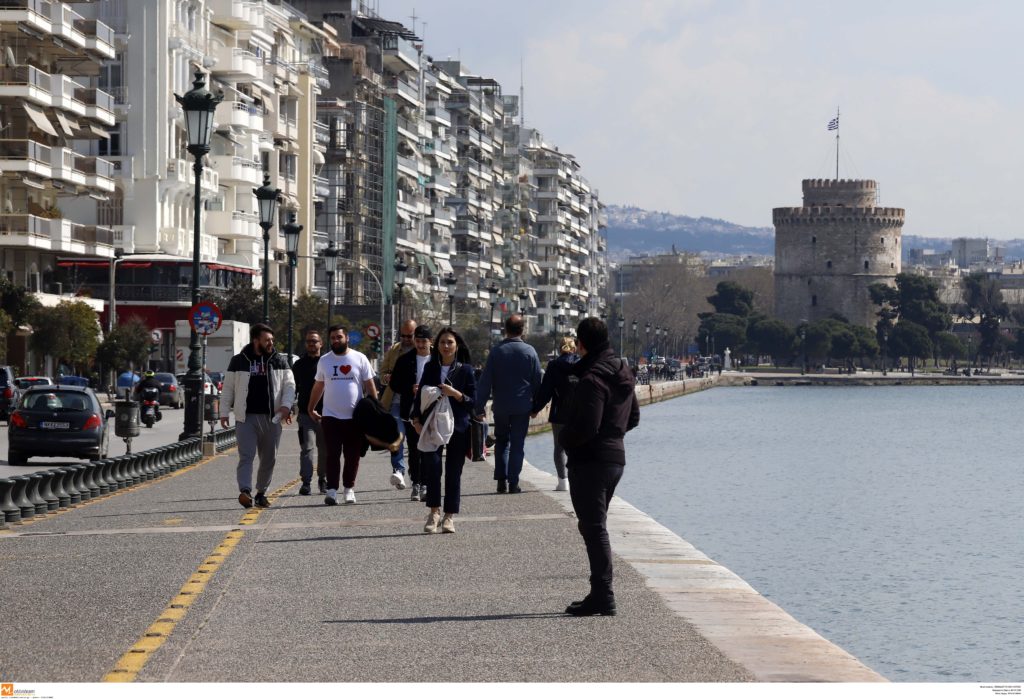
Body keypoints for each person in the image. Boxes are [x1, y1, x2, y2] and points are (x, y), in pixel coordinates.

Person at [559, 317, 639, 616]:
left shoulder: (592, 379)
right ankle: (599, 592)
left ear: (581, 343)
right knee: (595, 526)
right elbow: (633, 418)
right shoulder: (623, 372)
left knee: (594, 528)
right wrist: (613, 437)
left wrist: (566, 439)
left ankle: (603, 595)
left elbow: (587, 426)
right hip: (615, 458)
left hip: (591, 460)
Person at [219, 323, 296, 509]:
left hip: (272, 417)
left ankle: (261, 492)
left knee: (269, 458)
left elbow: (289, 386)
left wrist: (286, 407)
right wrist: (223, 412)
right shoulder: (239, 360)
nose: (271, 343)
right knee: (246, 455)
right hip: (246, 418)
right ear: (256, 341)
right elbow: (228, 388)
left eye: (271, 340)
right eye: (266, 340)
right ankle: (245, 491)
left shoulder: (279, 360)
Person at [411, 326, 476, 534]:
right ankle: (433, 512)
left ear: (457, 346)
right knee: (432, 468)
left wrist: (456, 394)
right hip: (431, 425)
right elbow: (420, 394)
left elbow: (473, 402)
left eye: (450, 342)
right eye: (442, 342)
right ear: (436, 345)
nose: (446, 346)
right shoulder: (431, 367)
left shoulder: (466, 370)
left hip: (458, 427)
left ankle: (449, 516)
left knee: (454, 473)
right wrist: (415, 419)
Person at [308, 324, 378, 506]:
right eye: (332, 338)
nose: (336, 341)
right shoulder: (324, 361)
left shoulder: (360, 358)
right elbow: (319, 386)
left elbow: (370, 386)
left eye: (339, 337)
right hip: (330, 416)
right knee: (332, 454)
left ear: (347, 338)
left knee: (352, 455)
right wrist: (311, 407)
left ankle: (349, 489)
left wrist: (375, 410)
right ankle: (331, 490)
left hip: (355, 417)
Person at [475, 314, 542, 494]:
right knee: (517, 444)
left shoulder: (497, 352)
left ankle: (501, 480)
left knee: (502, 441)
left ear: (505, 329)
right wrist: (536, 406)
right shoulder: (530, 352)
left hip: (501, 406)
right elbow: (537, 381)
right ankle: (514, 482)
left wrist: (479, 406)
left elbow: (485, 381)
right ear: (522, 330)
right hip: (522, 407)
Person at [388, 324, 433, 501]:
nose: (421, 345)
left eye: (424, 341)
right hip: (410, 411)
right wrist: (410, 388)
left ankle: (427, 483)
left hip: (432, 411)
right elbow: (394, 385)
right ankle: (416, 483)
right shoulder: (405, 360)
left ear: (431, 342)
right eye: (418, 341)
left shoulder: (437, 360)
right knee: (414, 449)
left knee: (429, 449)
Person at [530, 336, 579, 492]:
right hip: (578, 412)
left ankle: (563, 482)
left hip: (559, 412)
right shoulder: (582, 364)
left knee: (559, 448)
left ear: (560, 349)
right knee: (577, 447)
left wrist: (536, 409)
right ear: (574, 348)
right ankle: (576, 479)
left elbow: (546, 391)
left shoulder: (554, 366)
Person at [379, 318, 417, 490]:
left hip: (416, 403)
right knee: (397, 437)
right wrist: (386, 377)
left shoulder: (425, 350)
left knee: (416, 442)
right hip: (394, 401)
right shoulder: (394, 350)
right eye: (403, 336)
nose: (406, 339)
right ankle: (399, 470)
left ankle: (417, 477)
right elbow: (382, 372)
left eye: (410, 336)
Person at [292, 329, 327, 495]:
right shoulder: (298, 365)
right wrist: (289, 407)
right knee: (307, 448)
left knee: (324, 449)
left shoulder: (327, 363)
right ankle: (306, 482)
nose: (311, 344)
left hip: (326, 414)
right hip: (306, 415)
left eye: (314, 341)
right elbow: (292, 388)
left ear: (321, 343)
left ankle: (323, 479)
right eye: (308, 341)